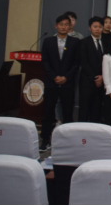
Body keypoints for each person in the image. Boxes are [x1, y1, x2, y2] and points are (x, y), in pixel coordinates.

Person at [39, 15, 80, 152]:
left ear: (70, 26)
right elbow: (45, 61)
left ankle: (67, 141)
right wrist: (54, 76)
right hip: (52, 82)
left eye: (66, 24)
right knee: (48, 112)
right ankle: (45, 140)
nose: (63, 27)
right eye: (61, 24)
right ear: (56, 26)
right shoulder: (48, 41)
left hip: (68, 83)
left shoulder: (75, 42)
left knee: (68, 113)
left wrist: (66, 77)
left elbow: (76, 63)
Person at [79, 16, 106, 123]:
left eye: (100, 27)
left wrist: (102, 77)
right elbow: (83, 62)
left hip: (102, 82)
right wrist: (95, 78)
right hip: (87, 81)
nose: (97, 29)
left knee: (97, 111)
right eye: (95, 26)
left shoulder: (106, 42)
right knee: (84, 110)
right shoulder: (84, 42)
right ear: (90, 28)